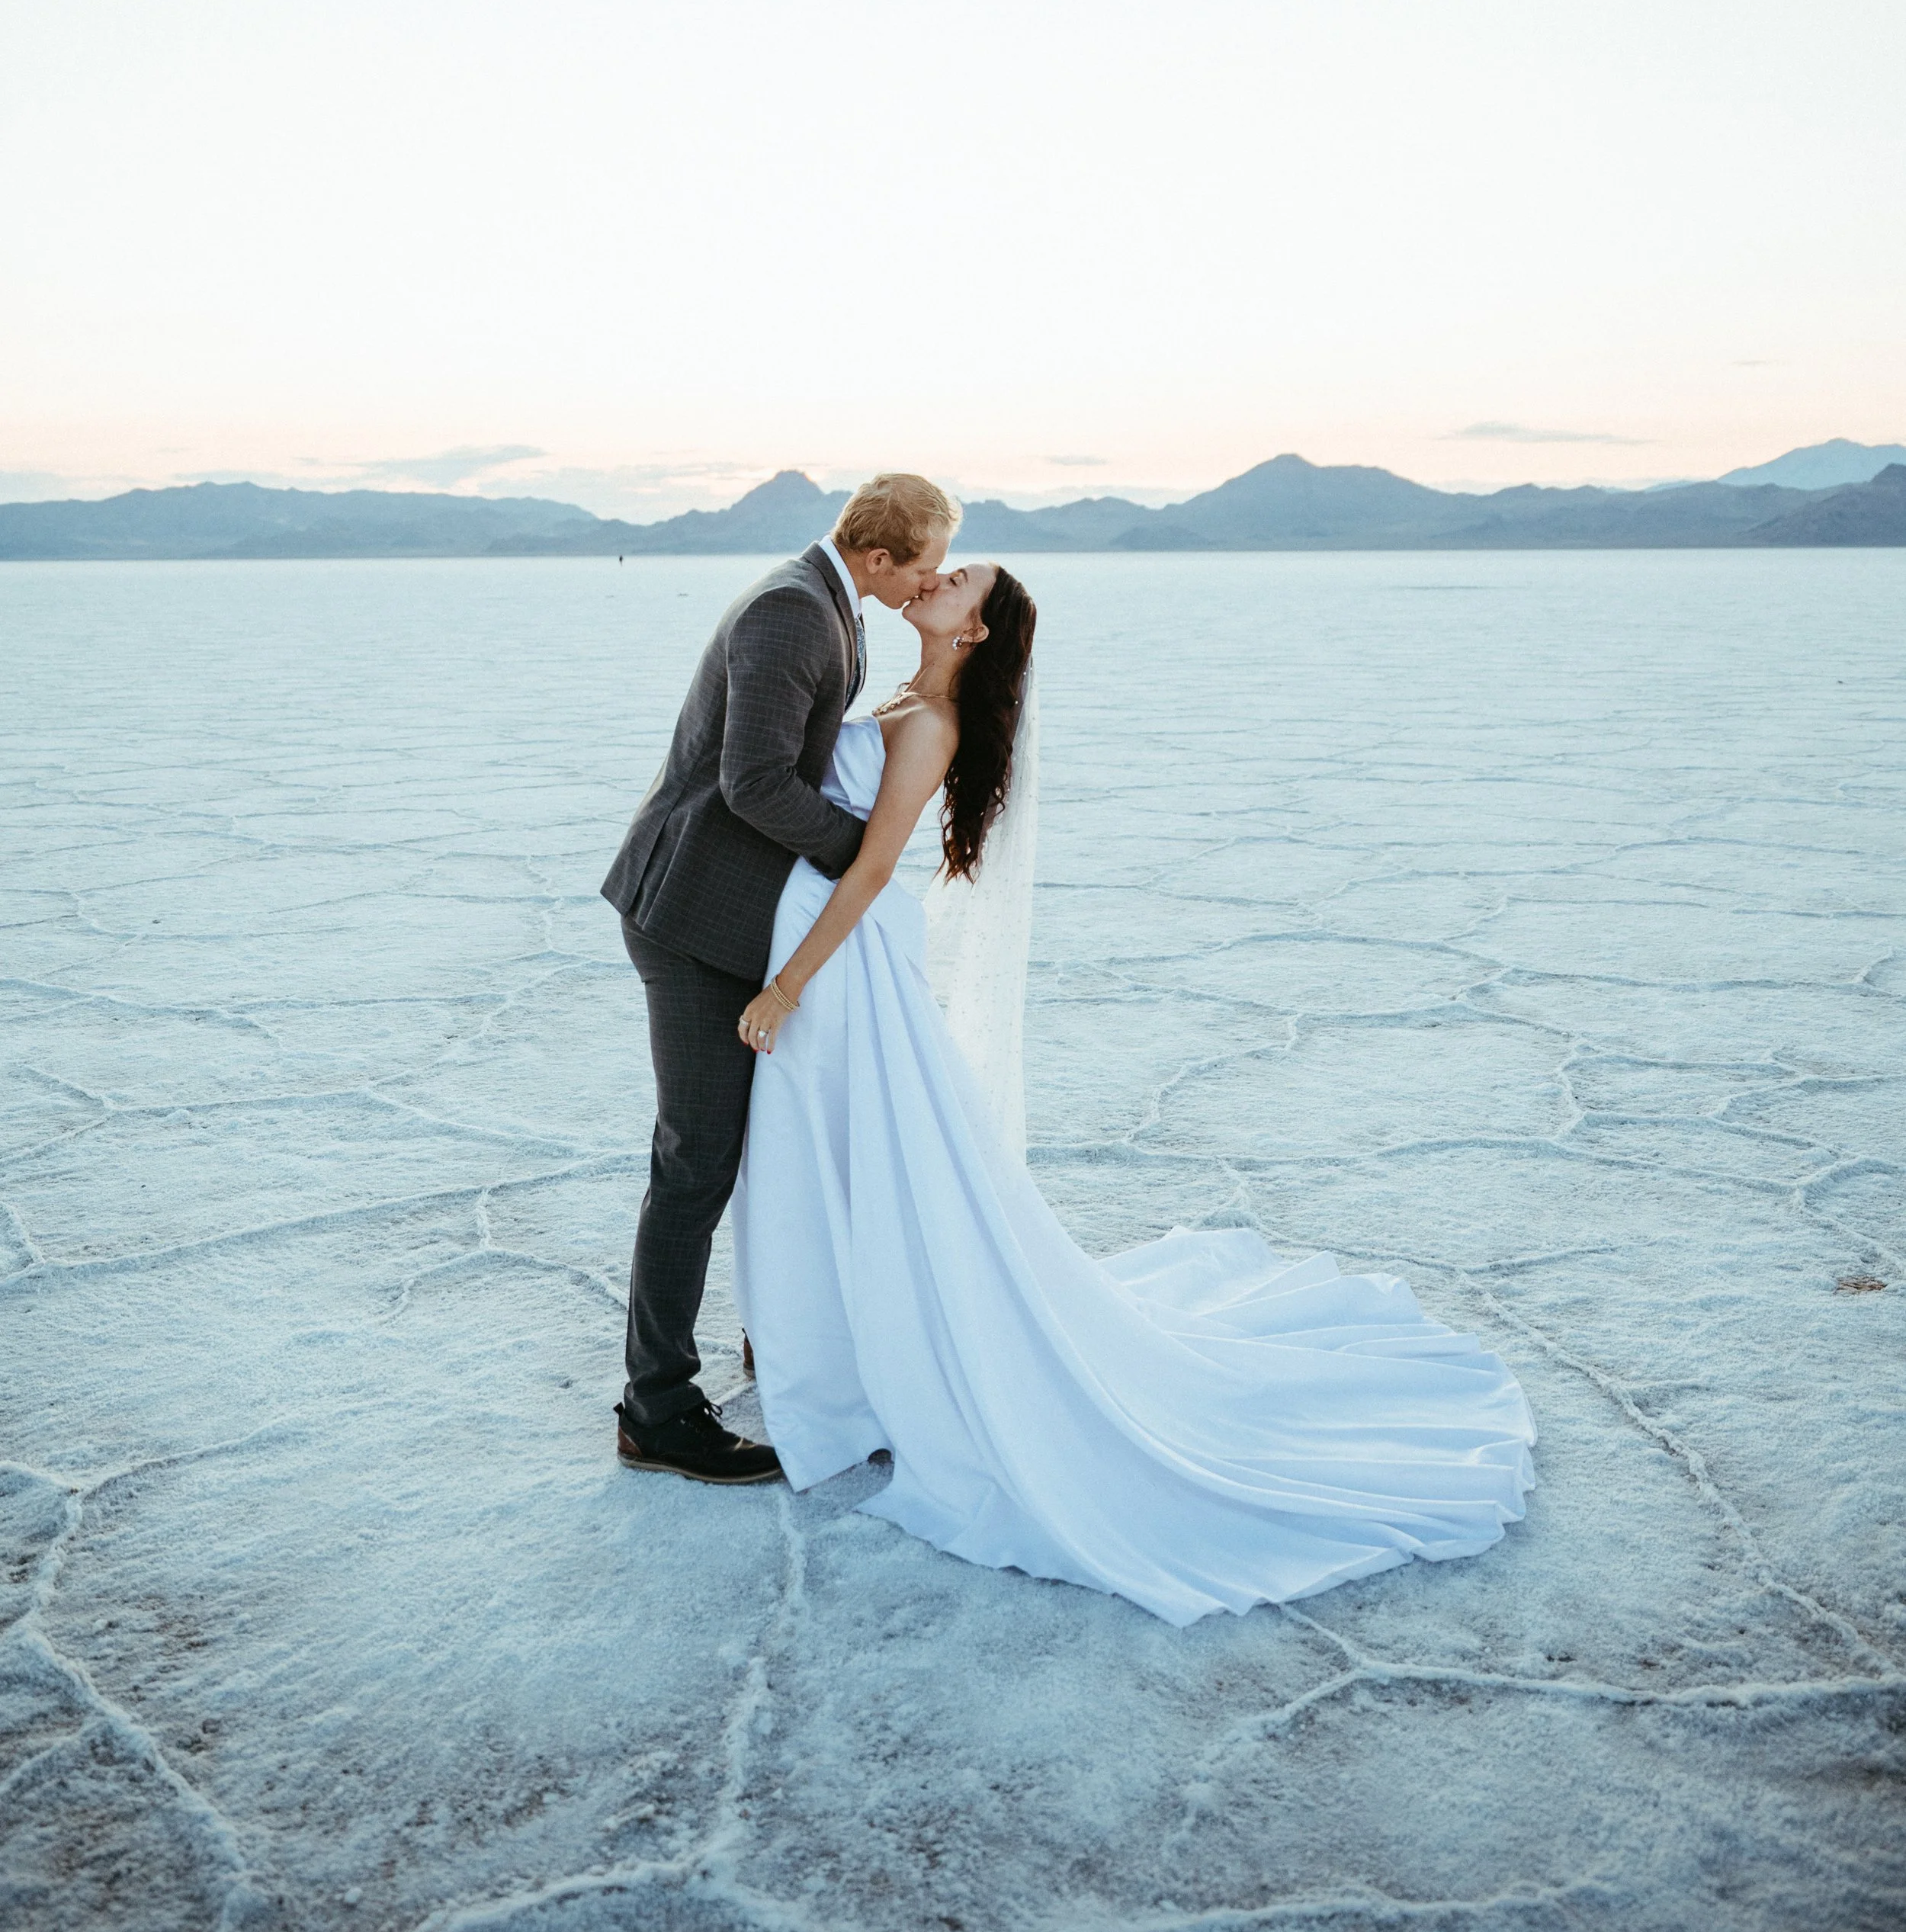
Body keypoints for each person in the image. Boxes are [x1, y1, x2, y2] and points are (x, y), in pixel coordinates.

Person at [728, 560, 1539, 1625]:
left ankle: (858, 1362)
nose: (939, 574)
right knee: (831, 1158)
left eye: (961, 581)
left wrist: (790, 982)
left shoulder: (931, 724)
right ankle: (833, 1350)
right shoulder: (905, 694)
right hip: (838, 959)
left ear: (974, 632)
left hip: (846, 969)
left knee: (870, 1160)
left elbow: (872, 871)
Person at [601, 470, 957, 1484]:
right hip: (691, 918)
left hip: (732, 917)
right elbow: (753, 782)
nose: (931, 579)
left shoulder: (831, 607)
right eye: (922, 562)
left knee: (749, 1144)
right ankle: (656, 1407)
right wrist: (865, 855)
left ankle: (775, 1334)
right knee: (696, 1158)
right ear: (878, 556)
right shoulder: (793, 615)